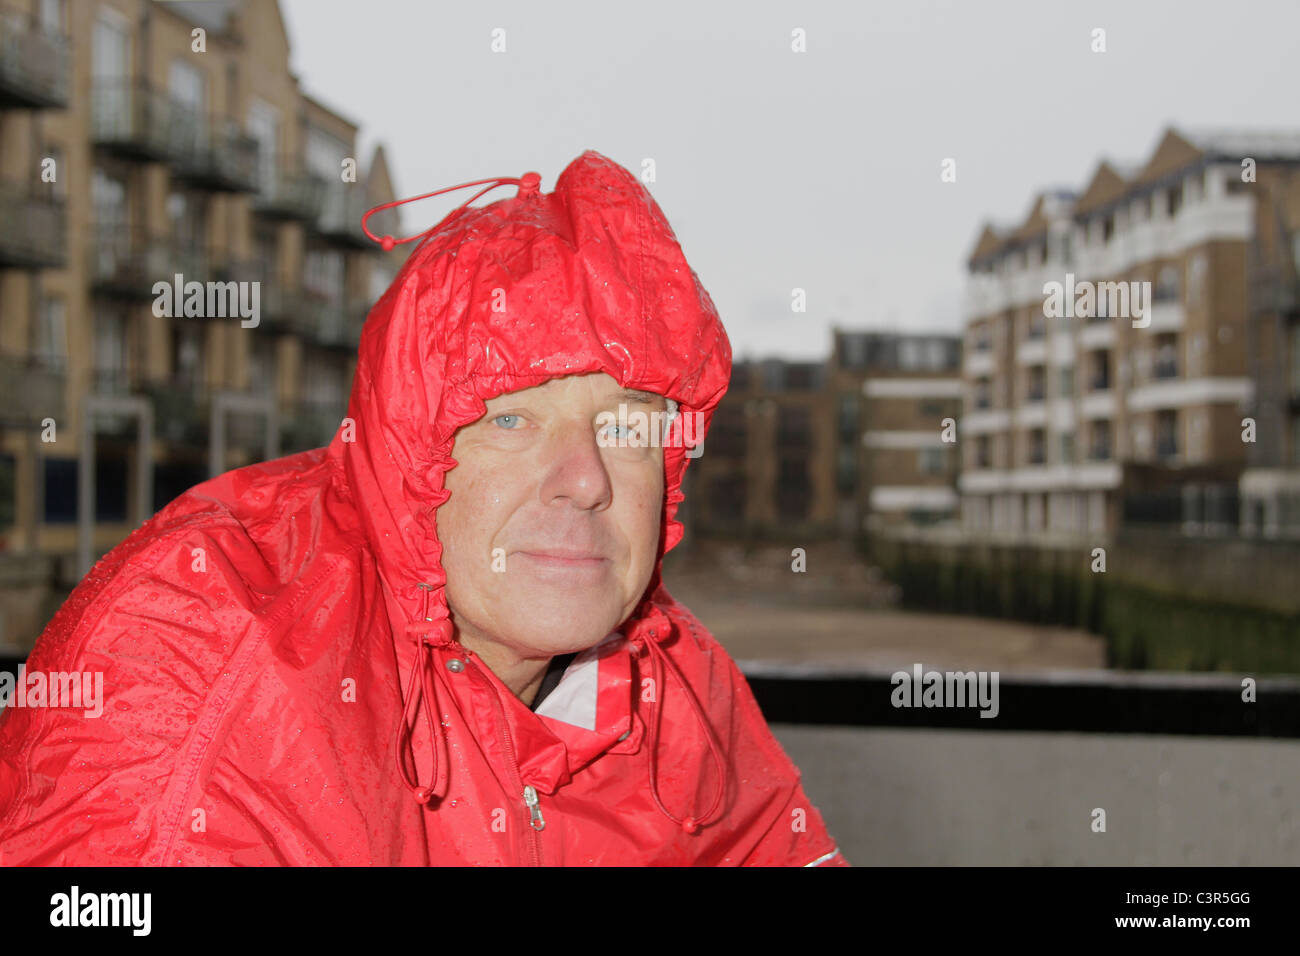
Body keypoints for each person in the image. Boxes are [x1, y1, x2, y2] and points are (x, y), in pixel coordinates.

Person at [0, 150, 846, 866]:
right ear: (410, 451)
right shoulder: (208, 657)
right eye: (511, 420)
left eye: (625, 427)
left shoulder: (671, 681)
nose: (586, 479)